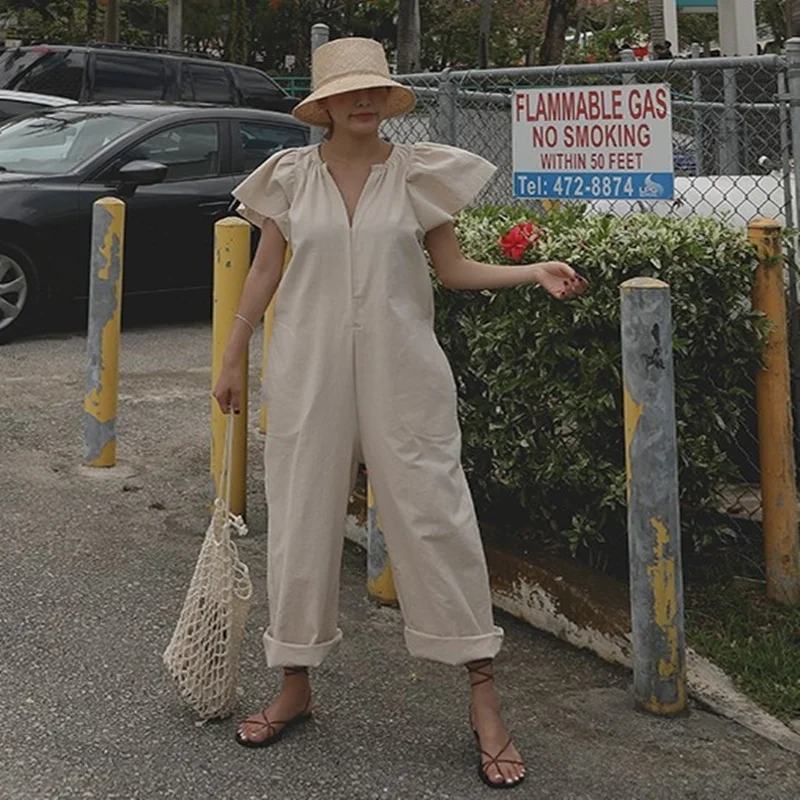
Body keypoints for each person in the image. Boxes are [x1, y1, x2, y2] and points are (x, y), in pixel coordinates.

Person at [213, 36, 587, 790]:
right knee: (300, 513)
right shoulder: (289, 178)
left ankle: (484, 699)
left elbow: (452, 270)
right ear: (323, 106)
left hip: (405, 369)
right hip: (308, 369)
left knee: (435, 513)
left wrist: (532, 271)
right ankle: (294, 682)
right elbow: (264, 270)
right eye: (345, 93)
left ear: (386, 100)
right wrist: (232, 356)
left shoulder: (417, 174)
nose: (362, 101)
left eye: (373, 90)